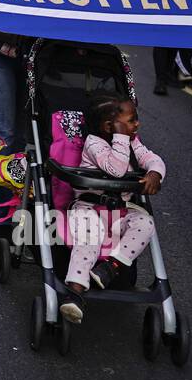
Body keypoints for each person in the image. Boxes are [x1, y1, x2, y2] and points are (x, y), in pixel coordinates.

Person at [58, 94, 164, 324]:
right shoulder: (94, 143)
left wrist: (155, 172)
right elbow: (115, 169)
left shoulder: (133, 142)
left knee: (146, 223)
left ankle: (110, 268)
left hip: (121, 211)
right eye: (131, 120)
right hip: (89, 208)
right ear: (109, 127)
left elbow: (153, 158)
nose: (137, 124)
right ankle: (74, 292)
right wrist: (120, 138)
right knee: (89, 237)